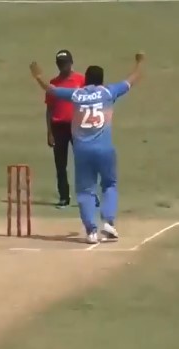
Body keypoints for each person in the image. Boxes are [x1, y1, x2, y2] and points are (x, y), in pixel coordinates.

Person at [30, 52, 145, 243]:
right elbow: (131, 80)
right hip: (105, 149)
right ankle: (108, 222)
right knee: (109, 184)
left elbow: (51, 90)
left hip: (82, 151)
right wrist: (139, 63)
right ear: (101, 80)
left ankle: (91, 231)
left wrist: (38, 77)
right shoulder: (108, 92)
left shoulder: (77, 94)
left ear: (86, 80)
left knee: (85, 191)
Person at [45, 50, 85, 208]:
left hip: (78, 126)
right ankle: (64, 197)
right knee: (60, 165)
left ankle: (87, 196)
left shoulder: (81, 79)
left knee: (83, 162)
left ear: (71, 63)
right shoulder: (53, 83)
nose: (63, 66)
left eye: (66, 63)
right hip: (58, 127)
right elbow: (49, 109)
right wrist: (49, 132)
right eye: (60, 64)